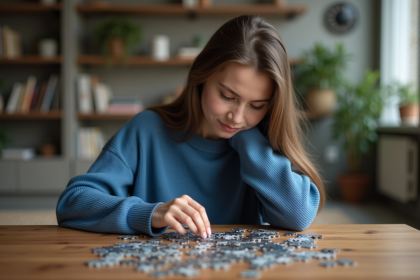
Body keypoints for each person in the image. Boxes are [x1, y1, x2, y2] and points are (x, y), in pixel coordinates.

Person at [56, 15, 325, 239]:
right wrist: (151, 213)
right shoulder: (146, 130)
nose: (237, 117)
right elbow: (73, 203)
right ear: (202, 77)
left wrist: (247, 140)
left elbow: (299, 214)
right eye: (228, 97)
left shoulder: (259, 147)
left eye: (257, 105)